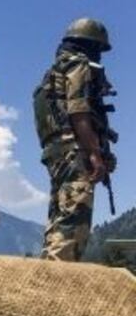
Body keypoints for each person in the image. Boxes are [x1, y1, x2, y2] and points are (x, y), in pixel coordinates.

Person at [34, 17, 117, 261]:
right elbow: (78, 110)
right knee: (74, 221)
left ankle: (48, 275)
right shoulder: (78, 65)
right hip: (74, 151)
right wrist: (94, 152)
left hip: (56, 152)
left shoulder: (53, 72)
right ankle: (58, 281)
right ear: (91, 45)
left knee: (59, 219)